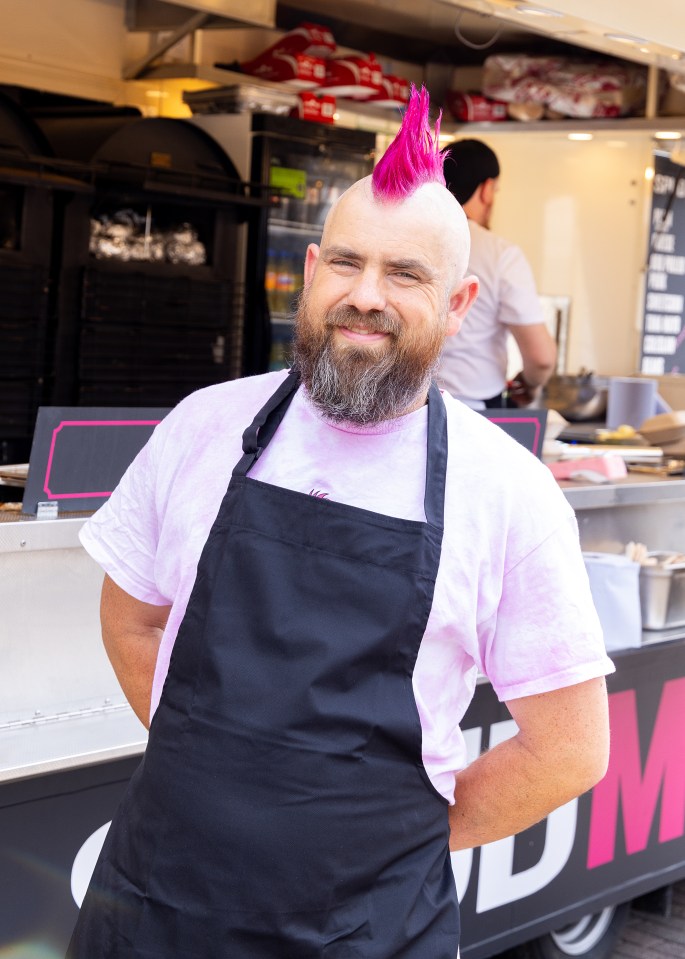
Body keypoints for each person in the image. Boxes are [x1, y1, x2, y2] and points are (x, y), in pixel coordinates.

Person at [67, 87, 613, 959]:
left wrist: (389, 846)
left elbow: (568, 749)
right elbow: (131, 614)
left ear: (461, 301)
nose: (366, 296)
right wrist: (220, 784)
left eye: (404, 274)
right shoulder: (203, 426)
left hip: (363, 930)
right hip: (156, 903)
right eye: (347, 263)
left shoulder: (506, 490)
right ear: (312, 267)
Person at [438, 138, 558, 409]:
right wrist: (528, 384)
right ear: (487, 189)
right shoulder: (501, 254)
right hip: (476, 409)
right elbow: (542, 358)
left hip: (406, 408)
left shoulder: (411, 238)